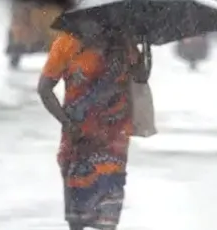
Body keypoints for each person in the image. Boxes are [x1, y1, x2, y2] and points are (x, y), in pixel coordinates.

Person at [37, 21, 149, 230]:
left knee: (108, 208)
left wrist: (145, 51)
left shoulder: (123, 44)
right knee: (78, 213)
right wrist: (66, 122)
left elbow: (140, 77)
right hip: (78, 140)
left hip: (112, 141)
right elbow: (44, 88)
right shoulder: (66, 45)